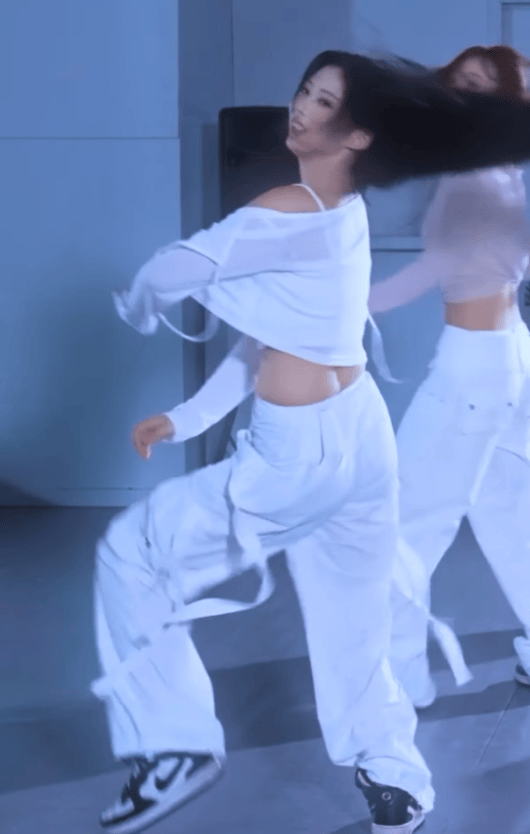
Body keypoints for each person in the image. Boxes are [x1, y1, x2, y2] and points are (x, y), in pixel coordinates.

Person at [91, 49, 530, 834]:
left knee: (132, 555)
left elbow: (172, 271)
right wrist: (187, 418)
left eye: (323, 101)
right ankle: (395, 780)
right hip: (359, 438)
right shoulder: (345, 210)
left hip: (296, 455)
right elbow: (272, 337)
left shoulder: (287, 206)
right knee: (351, 615)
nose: (300, 107)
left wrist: (139, 299)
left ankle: (174, 746)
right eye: (303, 90)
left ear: (358, 134)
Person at [368, 45, 530, 709]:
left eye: (483, 89)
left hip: (473, 368)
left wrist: (349, 304)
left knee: (403, 527)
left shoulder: (479, 175)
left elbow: (431, 270)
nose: (466, 97)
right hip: (509, 356)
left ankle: (398, 683)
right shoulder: (503, 169)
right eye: (460, 84)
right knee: (508, 512)